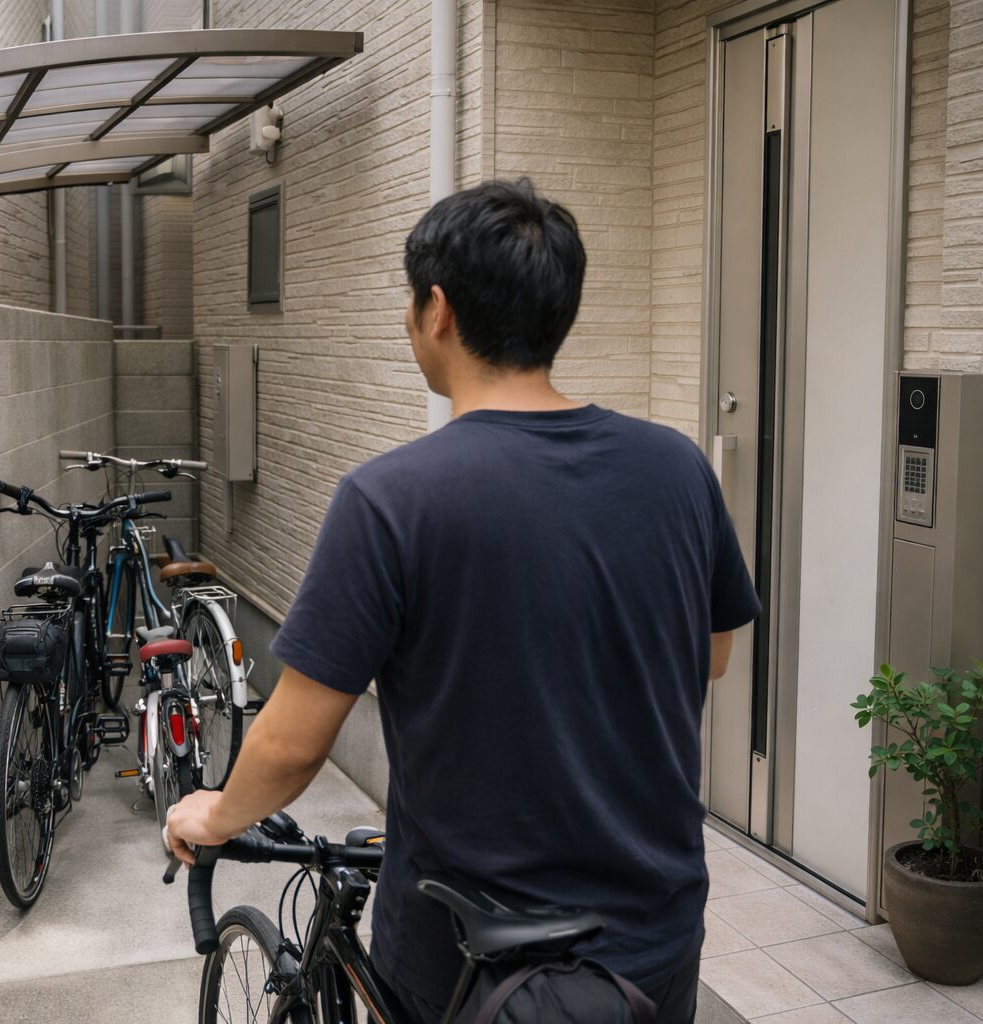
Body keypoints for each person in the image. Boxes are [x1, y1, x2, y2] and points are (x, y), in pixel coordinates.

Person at [166, 178, 761, 1024]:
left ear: (436, 310)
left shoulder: (393, 498)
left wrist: (217, 814)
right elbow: (712, 653)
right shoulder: (675, 469)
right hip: (652, 949)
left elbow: (294, 744)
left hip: (470, 966)